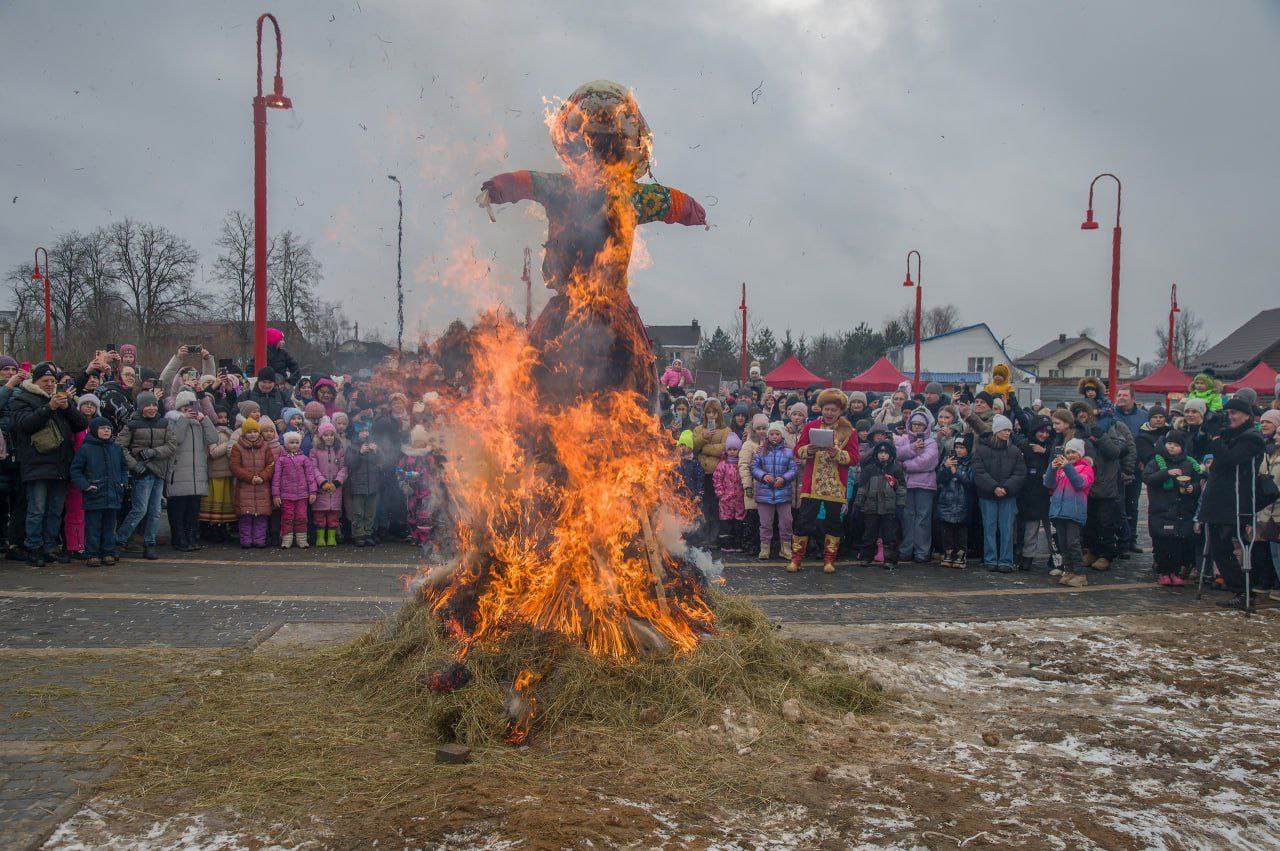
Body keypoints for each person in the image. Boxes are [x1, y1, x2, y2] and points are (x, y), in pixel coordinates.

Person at [10, 362, 89, 566]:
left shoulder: (61, 399)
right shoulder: (23, 398)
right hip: (36, 464)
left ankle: (49, 546)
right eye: (45, 381)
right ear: (35, 381)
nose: (49, 385)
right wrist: (49, 407)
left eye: (53, 381)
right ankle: (33, 546)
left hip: (60, 464)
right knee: (36, 509)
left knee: (55, 510)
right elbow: (23, 425)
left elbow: (81, 424)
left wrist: (68, 407)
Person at [1197, 397, 1266, 610]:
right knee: (1218, 547)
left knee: (1230, 546)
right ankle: (1240, 591)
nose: (1230, 417)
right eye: (1229, 413)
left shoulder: (1251, 438)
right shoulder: (1232, 433)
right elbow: (1202, 448)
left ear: (1247, 416)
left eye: (1234, 413)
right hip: (1219, 500)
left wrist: (1217, 436)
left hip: (1235, 501)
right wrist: (1205, 430)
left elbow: (1229, 459)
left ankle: (1245, 592)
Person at [792, 388, 858, 573]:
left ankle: (829, 561)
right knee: (804, 520)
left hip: (836, 486)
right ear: (821, 408)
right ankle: (796, 559)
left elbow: (854, 457)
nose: (829, 413)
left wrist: (837, 454)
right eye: (826, 409)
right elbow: (797, 449)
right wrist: (808, 450)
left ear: (840, 411)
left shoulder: (849, 431)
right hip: (812, 483)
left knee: (833, 523)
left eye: (833, 410)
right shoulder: (810, 426)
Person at [1071, 399, 1134, 571]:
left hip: (1105, 481)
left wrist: (1098, 436)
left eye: (1085, 411)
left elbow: (1116, 451)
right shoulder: (1076, 432)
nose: (1082, 415)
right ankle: (1091, 550)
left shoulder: (1108, 427)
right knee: (1088, 522)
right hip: (1086, 483)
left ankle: (1106, 554)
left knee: (1105, 522)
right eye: (1078, 413)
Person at [114, 391, 174, 559]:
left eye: (154, 404)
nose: (152, 408)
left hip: (158, 471)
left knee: (155, 511)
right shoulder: (132, 424)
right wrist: (134, 465)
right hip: (141, 473)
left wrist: (153, 452)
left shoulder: (164, 423)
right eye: (148, 405)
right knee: (139, 510)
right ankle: (120, 540)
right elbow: (120, 446)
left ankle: (150, 543)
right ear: (141, 407)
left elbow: (171, 444)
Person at [1142, 429, 1202, 586]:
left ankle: (1174, 572)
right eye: (1169, 443)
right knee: (1162, 543)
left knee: (1178, 544)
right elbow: (1148, 478)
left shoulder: (1189, 463)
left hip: (1182, 511)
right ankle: (1163, 572)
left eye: (1176, 445)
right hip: (1161, 510)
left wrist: (1193, 488)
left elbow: (1200, 482)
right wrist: (1167, 473)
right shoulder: (1156, 461)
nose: (1171, 447)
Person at [69, 416, 127, 568]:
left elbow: (123, 467)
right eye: (102, 428)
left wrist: (122, 482)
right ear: (95, 430)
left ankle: (109, 551)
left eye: (108, 428)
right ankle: (92, 554)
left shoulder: (116, 448)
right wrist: (85, 486)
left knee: (109, 526)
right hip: (94, 493)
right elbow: (76, 470)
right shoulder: (86, 448)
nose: (106, 430)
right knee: (93, 527)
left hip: (113, 493)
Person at [971, 414, 1027, 572]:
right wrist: (994, 487)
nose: (1007, 433)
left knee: (1006, 528)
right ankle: (990, 558)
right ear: (996, 431)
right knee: (989, 527)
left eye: (1009, 430)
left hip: (1008, 495)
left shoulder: (1015, 451)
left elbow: (1020, 473)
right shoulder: (981, 450)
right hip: (988, 495)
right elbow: (978, 472)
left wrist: (1006, 488)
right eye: (1004, 430)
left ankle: (1005, 560)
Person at [165, 390, 219, 552]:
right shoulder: (171, 421)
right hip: (179, 473)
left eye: (192, 406)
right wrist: (183, 420)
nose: (190, 410)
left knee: (193, 511)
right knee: (178, 510)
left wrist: (205, 420)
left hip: (197, 475)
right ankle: (178, 539)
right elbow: (176, 440)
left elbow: (213, 439)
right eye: (186, 407)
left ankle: (191, 537)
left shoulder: (198, 422)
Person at [1046, 438, 1095, 587]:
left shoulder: (1086, 469)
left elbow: (1079, 483)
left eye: (1073, 452)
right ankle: (1068, 570)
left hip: (1074, 513)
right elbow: (1049, 484)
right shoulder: (1061, 470)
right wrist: (1052, 468)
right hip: (1059, 512)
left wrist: (1067, 467)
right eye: (1068, 452)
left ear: (1080, 453)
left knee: (1073, 543)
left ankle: (1079, 573)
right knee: (1063, 543)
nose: (1070, 455)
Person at [895, 408, 938, 563]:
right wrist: (913, 449)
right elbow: (896, 454)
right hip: (906, 485)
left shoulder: (931, 441)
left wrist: (905, 465)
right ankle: (906, 549)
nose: (917, 427)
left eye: (920, 424)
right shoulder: (904, 439)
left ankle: (922, 551)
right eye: (914, 424)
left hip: (925, 485)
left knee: (923, 518)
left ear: (926, 426)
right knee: (907, 517)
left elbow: (927, 461)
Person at [752, 422, 798, 562]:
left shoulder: (788, 452)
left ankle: (785, 548)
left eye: (777, 434)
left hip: (783, 493)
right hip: (764, 493)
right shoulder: (760, 451)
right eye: (771, 434)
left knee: (786, 522)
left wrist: (784, 478)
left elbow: (794, 469)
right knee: (765, 523)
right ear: (767, 435)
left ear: (781, 436)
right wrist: (763, 476)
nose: (774, 436)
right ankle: (765, 548)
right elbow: (753, 467)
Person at [855, 440, 905, 569]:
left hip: (889, 508)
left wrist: (900, 505)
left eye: (886, 453)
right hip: (871, 507)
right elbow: (862, 489)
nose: (883, 455)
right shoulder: (869, 470)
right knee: (869, 533)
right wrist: (858, 504)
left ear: (891, 455)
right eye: (880, 452)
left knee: (890, 535)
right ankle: (866, 557)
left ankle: (890, 559)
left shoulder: (896, 469)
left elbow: (901, 489)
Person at [63, 395, 101, 559]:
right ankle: (75, 544)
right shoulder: (75, 426)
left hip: (94, 474)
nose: (88, 407)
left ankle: (89, 543)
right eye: (85, 404)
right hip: (77, 473)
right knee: (75, 511)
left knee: (91, 513)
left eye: (92, 405)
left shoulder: (99, 426)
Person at [1015, 416, 1055, 571]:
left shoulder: (1052, 446)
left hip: (1048, 493)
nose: (1044, 435)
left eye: (1047, 432)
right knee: (1031, 529)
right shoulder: (1025, 446)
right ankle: (1027, 556)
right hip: (1031, 493)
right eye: (1041, 431)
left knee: (1051, 529)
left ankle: (1056, 556)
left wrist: (1045, 452)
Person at [1113, 386, 1149, 555]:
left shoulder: (1143, 416)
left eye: (1124, 395)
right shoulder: (1111, 415)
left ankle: (1131, 539)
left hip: (1136, 466)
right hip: (1115, 467)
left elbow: (1148, 440)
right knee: (1117, 504)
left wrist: (1145, 460)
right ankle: (1119, 539)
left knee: (1132, 504)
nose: (1120, 397)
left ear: (1133, 398)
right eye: (1118, 395)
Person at [230, 418, 275, 548]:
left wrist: (262, 476)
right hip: (245, 487)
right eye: (249, 432)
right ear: (244, 433)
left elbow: (270, 464)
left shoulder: (265, 447)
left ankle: (259, 540)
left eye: (255, 431)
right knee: (246, 516)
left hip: (262, 487)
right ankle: (246, 540)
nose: (253, 434)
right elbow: (234, 466)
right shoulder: (237, 447)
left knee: (261, 516)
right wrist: (250, 478)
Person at [272, 431, 319, 549]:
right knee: (287, 517)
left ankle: (301, 539)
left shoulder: (304, 459)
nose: (294, 445)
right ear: (286, 444)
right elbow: (276, 478)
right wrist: (276, 495)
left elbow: (310, 476)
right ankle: (287, 539)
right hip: (286, 495)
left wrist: (312, 492)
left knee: (302, 516)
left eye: (297, 442)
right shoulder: (281, 460)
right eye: (291, 442)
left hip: (302, 495)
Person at [692, 399, 728, 547]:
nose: (711, 415)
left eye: (714, 412)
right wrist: (703, 438)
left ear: (719, 414)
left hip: (716, 474)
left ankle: (714, 537)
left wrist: (705, 448)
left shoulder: (726, 431)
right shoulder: (699, 429)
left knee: (715, 506)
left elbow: (724, 450)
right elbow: (693, 447)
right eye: (708, 412)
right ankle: (702, 536)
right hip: (701, 474)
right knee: (702, 506)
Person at [199, 406, 237, 541]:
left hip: (227, 472)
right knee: (216, 503)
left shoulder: (229, 432)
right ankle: (212, 528)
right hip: (215, 473)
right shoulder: (213, 432)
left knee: (225, 505)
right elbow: (213, 452)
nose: (223, 420)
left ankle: (222, 528)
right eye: (220, 417)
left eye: (225, 417)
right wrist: (228, 443)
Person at [937, 436, 974, 567]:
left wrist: (956, 472)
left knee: (961, 530)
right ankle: (948, 552)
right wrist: (945, 467)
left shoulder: (970, 463)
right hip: (946, 500)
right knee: (946, 529)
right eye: (957, 447)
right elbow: (939, 480)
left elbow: (970, 482)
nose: (958, 450)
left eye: (962, 448)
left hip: (962, 501)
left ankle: (961, 553)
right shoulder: (948, 461)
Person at [1254, 410, 1280, 602]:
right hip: (1267, 508)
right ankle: (1267, 581)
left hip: (1277, 508)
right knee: (1270, 549)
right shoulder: (1266, 452)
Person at [345, 418, 382, 547]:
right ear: (356, 432)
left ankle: (368, 532)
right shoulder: (352, 447)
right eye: (361, 431)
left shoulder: (373, 445)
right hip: (357, 484)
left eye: (366, 430)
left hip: (372, 484)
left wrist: (377, 452)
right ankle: (358, 534)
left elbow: (382, 462)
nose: (365, 433)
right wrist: (360, 453)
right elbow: (350, 464)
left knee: (370, 511)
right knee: (358, 512)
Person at [311, 421, 347, 547]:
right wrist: (323, 482)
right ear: (321, 436)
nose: (329, 437)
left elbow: (343, 468)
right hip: (322, 488)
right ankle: (320, 537)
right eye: (326, 435)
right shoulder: (315, 451)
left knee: (333, 515)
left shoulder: (339, 450)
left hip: (335, 488)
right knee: (320, 514)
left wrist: (337, 482)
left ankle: (331, 537)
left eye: (331, 435)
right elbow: (313, 468)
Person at [738, 414, 768, 556]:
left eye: (764, 428)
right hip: (753, 488)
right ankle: (748, 544)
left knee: (764, 520)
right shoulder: (748, 445)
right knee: (752, 518)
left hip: (766, 488)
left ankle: (760, 544)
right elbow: (744, 465)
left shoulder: (770, 444)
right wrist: (747, 485)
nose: (761, 431)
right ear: (754, 430)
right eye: (759, 428)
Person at [713, 433, 747, 552]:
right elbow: (717, 479)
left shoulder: (741, 464)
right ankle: (726, 544)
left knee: (739, 521)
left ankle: (738, 544)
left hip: (740, 498)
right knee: (726, 521)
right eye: (730, 449)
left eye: (735, 449)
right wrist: (720, 493)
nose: (732, 452)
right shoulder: (723, 465)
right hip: (726, 499)